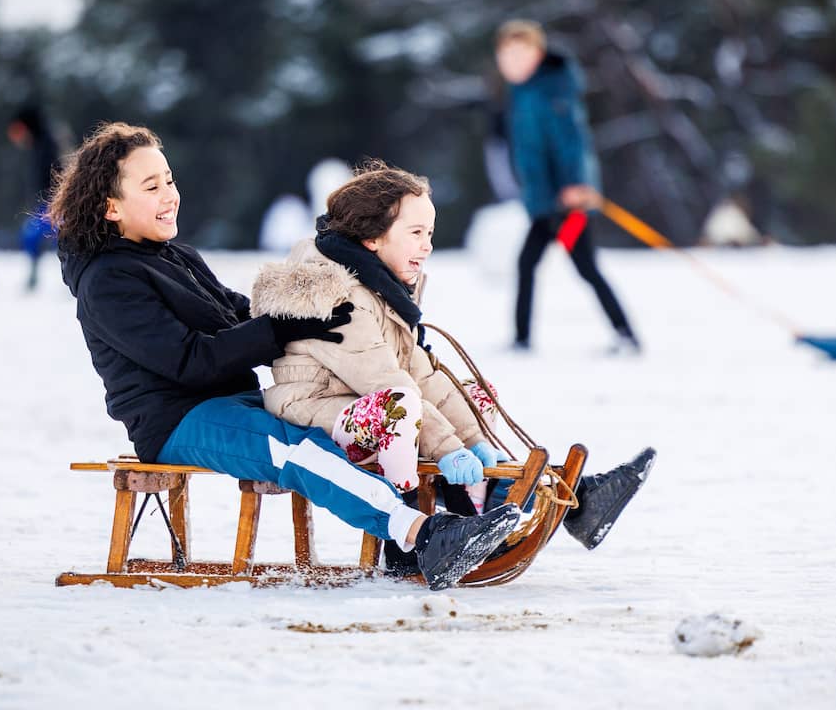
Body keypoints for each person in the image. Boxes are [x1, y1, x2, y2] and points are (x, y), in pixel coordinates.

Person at [49, 122, 520, 590]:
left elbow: (240, 314)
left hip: (239, 402)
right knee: (298, 451)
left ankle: (480, 503)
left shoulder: (174, 256)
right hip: (178, 419)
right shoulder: (108, 282)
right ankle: (419, 534)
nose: (169, 194)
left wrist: (323, 315)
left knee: (360, 420)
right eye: (151, 186)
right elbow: (191, 360)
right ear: (110, 207)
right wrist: (282, 328)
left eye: (169, 180)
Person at [249, 160, 657, 572]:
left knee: (473, 395)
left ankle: (562, 502)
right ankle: (415, 542)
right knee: (400, 408)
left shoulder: (383, 283)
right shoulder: (338, 295)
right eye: (415, 233)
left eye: (429, 232)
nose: (427, 245)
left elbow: (421, 373)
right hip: (313, 408)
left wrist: (475, 440)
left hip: (363, 400)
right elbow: (387, 382)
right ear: (372, 238)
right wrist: (450, 449)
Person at [495, 19, 641, 355]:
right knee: (528, 263)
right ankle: (521, 338)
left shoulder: (553, 88)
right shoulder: (522, 91)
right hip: (544, 203)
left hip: (566, 204)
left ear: (538, 54)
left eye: (521, 53)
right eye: (506, 55)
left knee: (583, 266)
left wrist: (578, 185)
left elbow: (573, 142)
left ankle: (626, 335)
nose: (512, 62)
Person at [7, 105, 62, 290]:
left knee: (59, 239)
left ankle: (70, 277)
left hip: (55, 202)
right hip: (44, 202)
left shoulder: (50, 142)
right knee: (33, 237)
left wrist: (56, 198)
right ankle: (34, 274)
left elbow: (59, 171)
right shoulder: (38, 143)